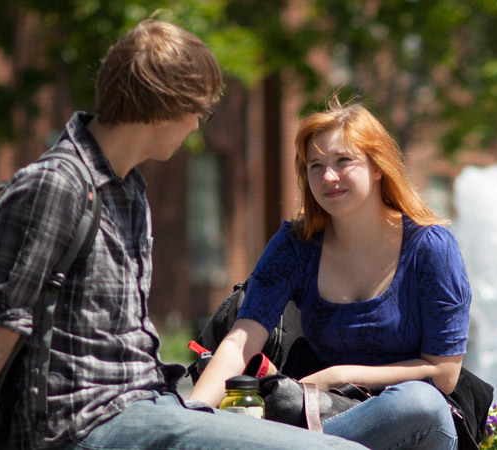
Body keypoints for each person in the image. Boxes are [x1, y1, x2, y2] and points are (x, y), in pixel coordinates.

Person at [0, 19, 363, 450]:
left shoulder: (128, 187)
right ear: (165, 107)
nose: (196, 126)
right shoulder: (56, 186)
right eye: (200, 112)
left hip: (148, 404)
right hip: (82, 426)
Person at [190, 98, 473, 450]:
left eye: (343, 161)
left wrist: (342, 374)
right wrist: (190, 417)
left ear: (378, 166)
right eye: (315, 166)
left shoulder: (431, 247)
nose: (328, 177)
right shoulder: (296, 244)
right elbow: (241, 340)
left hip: (414, 427)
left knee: (420, 402)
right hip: (327, 418)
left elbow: (444, 374)